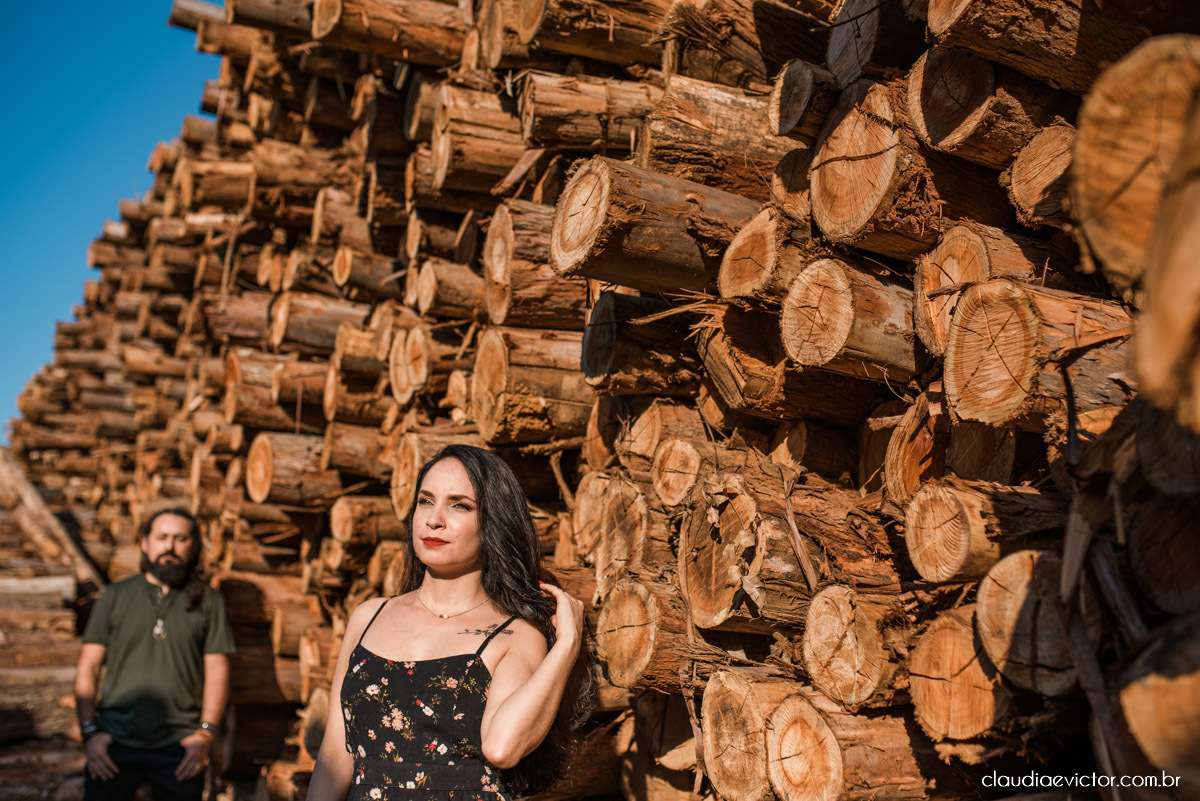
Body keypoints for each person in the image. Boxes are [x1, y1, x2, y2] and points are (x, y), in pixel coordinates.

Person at [307, 444, 594, 801]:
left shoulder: (513, 634)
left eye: (459, 505)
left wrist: (567, 645)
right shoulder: (369, 617)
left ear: (494, 523)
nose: (434, 519)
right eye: (426, 501)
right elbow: (335, 753)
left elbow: (502, 747)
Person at [74, 508, 236, 801]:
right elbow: (88, 667)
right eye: (162, 537)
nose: (169, 547)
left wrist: (205, 735)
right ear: (145, 543)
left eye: (180, 538)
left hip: (181, 746)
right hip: (114, 743)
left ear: (194, 546)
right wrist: (90, 734)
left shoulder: (209, 601)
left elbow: (217, 670)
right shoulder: (114, 596)